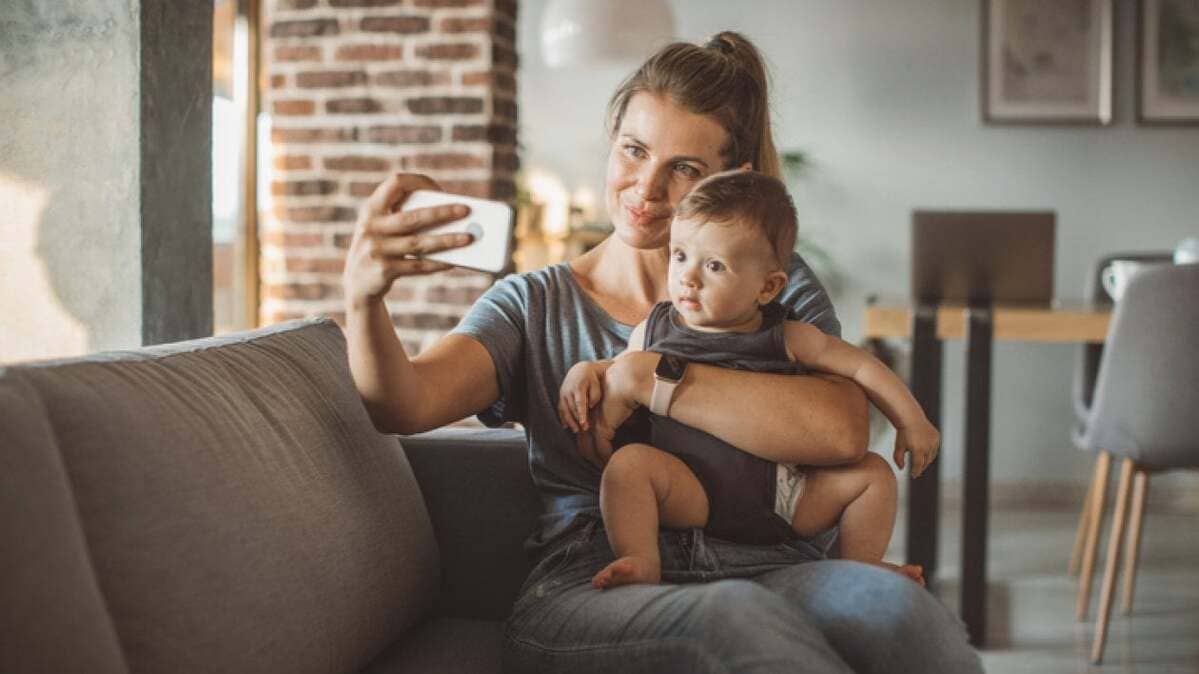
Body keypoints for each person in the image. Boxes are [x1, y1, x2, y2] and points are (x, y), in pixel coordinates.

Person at [342, 30, 982, 674]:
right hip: (595, 575)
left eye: (684, 169)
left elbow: (842, 431)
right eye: (634, 150)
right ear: (612, 140)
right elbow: (403, 403)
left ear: (732, 181)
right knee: (733, 618)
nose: (645, 189)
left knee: (901, 612)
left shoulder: (772, 288)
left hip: (773, 560)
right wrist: (365, 298)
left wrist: (652, 378)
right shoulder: (533, 305)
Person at [557, 169, 936, 592]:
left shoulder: (787, 336)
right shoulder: (654, 330)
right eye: (680, 255)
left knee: (874, 475)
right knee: (629, 468)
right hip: (690, 489)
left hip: (786, 497)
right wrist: (584, 371)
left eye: (714, 265)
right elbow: (619, 374)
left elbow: (862, 367)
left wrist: (911, 420)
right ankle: (641, 559)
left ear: (767, 287)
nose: (689, 276)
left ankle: (858, 566)